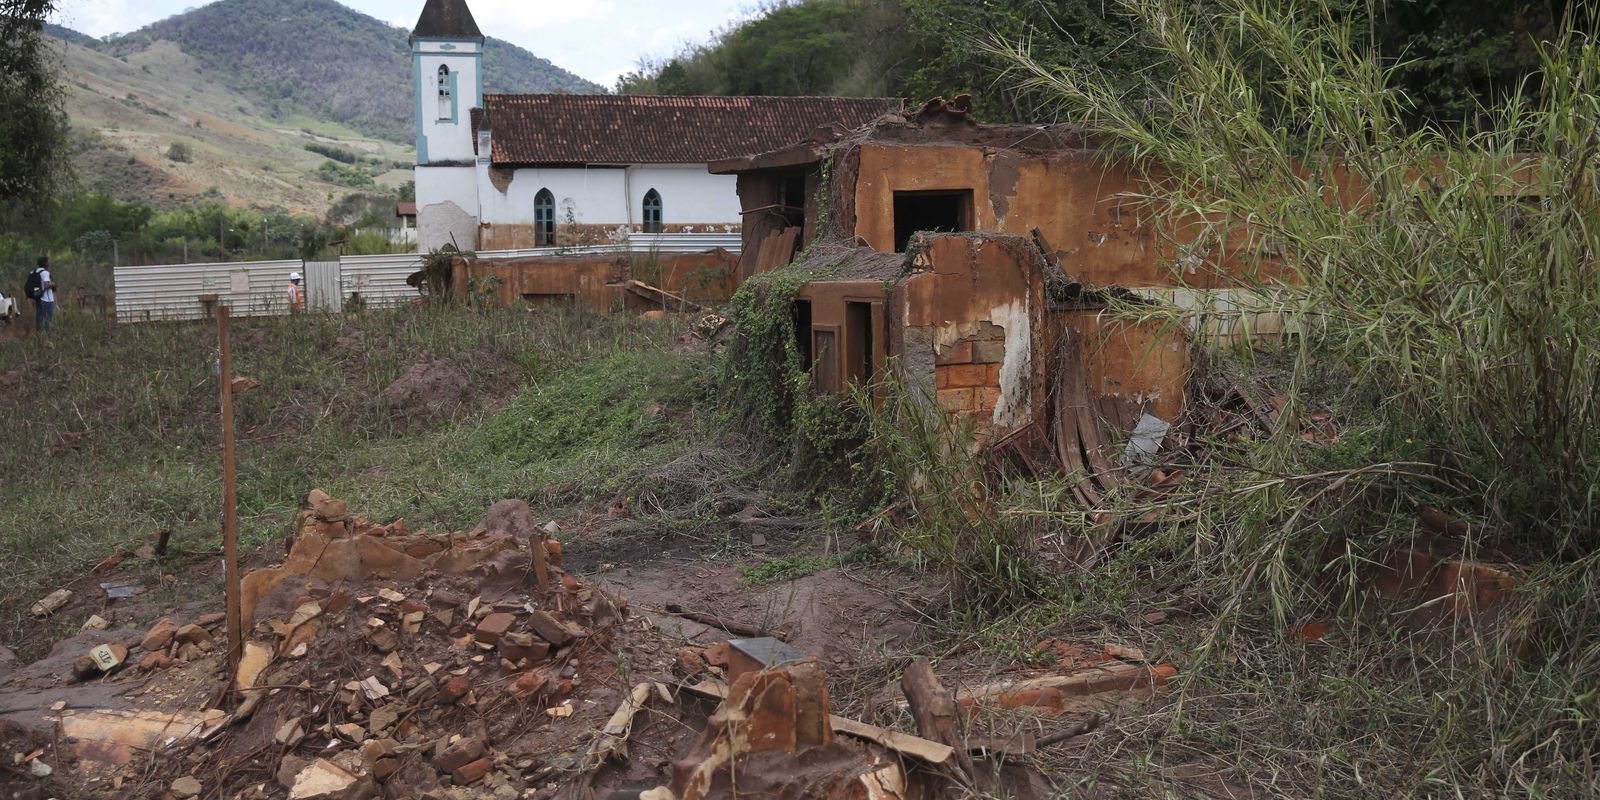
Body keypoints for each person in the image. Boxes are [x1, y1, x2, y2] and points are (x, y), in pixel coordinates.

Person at [26, 256, 55, 332]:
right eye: (48, 262)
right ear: (45, 263)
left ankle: (39, 338)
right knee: (47, 321)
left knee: (38, 320)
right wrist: (53, 285)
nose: (49, 263)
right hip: (46, 300)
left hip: (37, 298)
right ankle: (47, 338)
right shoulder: (45, 272)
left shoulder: (33, 272)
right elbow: (46, 285)